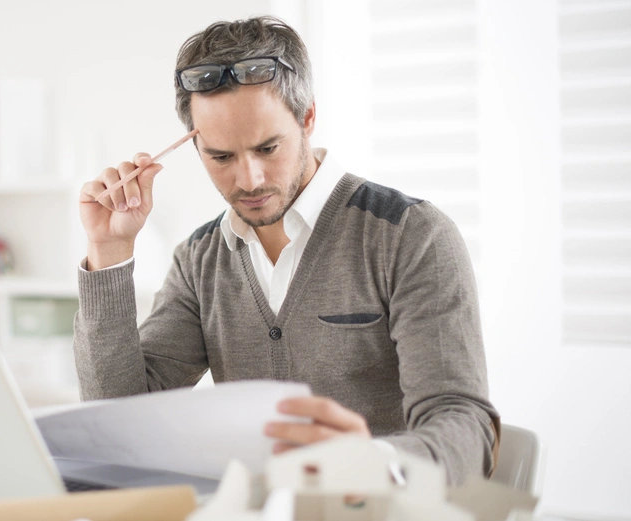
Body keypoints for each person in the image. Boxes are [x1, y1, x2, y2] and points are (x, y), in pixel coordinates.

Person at [74, 15, 499, 485]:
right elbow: (116, 423)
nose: (249, 179)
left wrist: (376, 463)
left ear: (308, 117)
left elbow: (466, 425)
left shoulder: (411, 236)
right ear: (195, 146)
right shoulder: (199, 261)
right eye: (221, 157)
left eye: (268, 147)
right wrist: (108, 252)